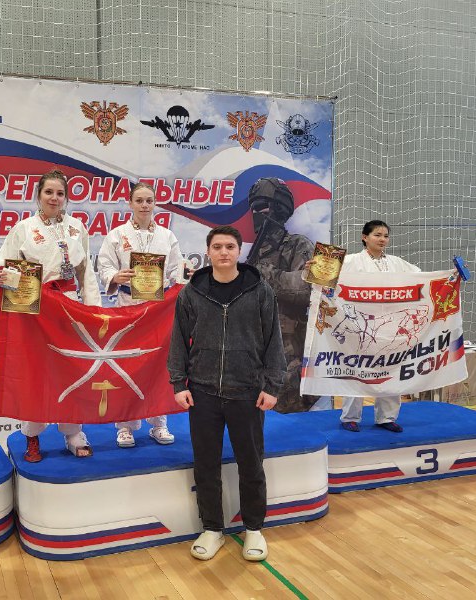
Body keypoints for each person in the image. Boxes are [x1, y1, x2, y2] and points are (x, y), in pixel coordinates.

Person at [168, 225, 286, 562]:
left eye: (230, 246)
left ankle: (254, 529)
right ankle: (212, 529)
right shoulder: (191, 293)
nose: (223, 252)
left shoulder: (260, 291)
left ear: (238, 251)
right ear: (208, 251)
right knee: (206, 464)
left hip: (247, 391)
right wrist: (179, 383)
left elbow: (274, 341)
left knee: (251, 463)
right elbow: (178, 340)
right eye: (217, 246)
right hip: (202, 392)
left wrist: (272, 386)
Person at [0, 169, 101, 461]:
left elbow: (86, 271)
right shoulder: (24, 228)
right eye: (48, 192)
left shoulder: (77, 227)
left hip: (69, 305)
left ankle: (74, 433)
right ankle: (32, 435)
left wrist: (93, 310)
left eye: (60, 193)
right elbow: (4, 264)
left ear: (66, 198)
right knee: (36, 372)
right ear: (38, 195)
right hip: (35, 309)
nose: (54, 198)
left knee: (72, 368)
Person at [97, 181, 184, 447]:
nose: (145, 205)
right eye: (139, 200)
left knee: (159, 366)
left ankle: (159, 423)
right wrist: (115, 276)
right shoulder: (117, 235)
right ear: (130, 203)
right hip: (128, 306)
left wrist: (184, 276)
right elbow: (104, 266)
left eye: (149, 200)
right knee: (127, 366)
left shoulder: (167, 236)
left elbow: (176, 271)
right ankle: (125, 426)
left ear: (155, 203)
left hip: (159, 310)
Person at [339, 219, 420, 433]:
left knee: (391, 369)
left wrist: (450, 276)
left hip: (389, 325)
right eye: (377, 235)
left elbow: (422, 277)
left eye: (385, 236)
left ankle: (387, 417)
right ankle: (350, 417)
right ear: (364, 237)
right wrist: (313, 269)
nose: (382, 239)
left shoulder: (396, 263)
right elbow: (324, 276)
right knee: (356, 369)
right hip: (359, 325)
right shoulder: (350, 261)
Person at [245, 177, 318, 413]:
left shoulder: (298, 244)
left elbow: (308, 289)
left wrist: (264, 274)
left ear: (279, 208)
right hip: (255, 347)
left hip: (289, 349)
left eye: (262, 207)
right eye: (253, 208)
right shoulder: (255, 253)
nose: (257, 214)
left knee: (290, 415)